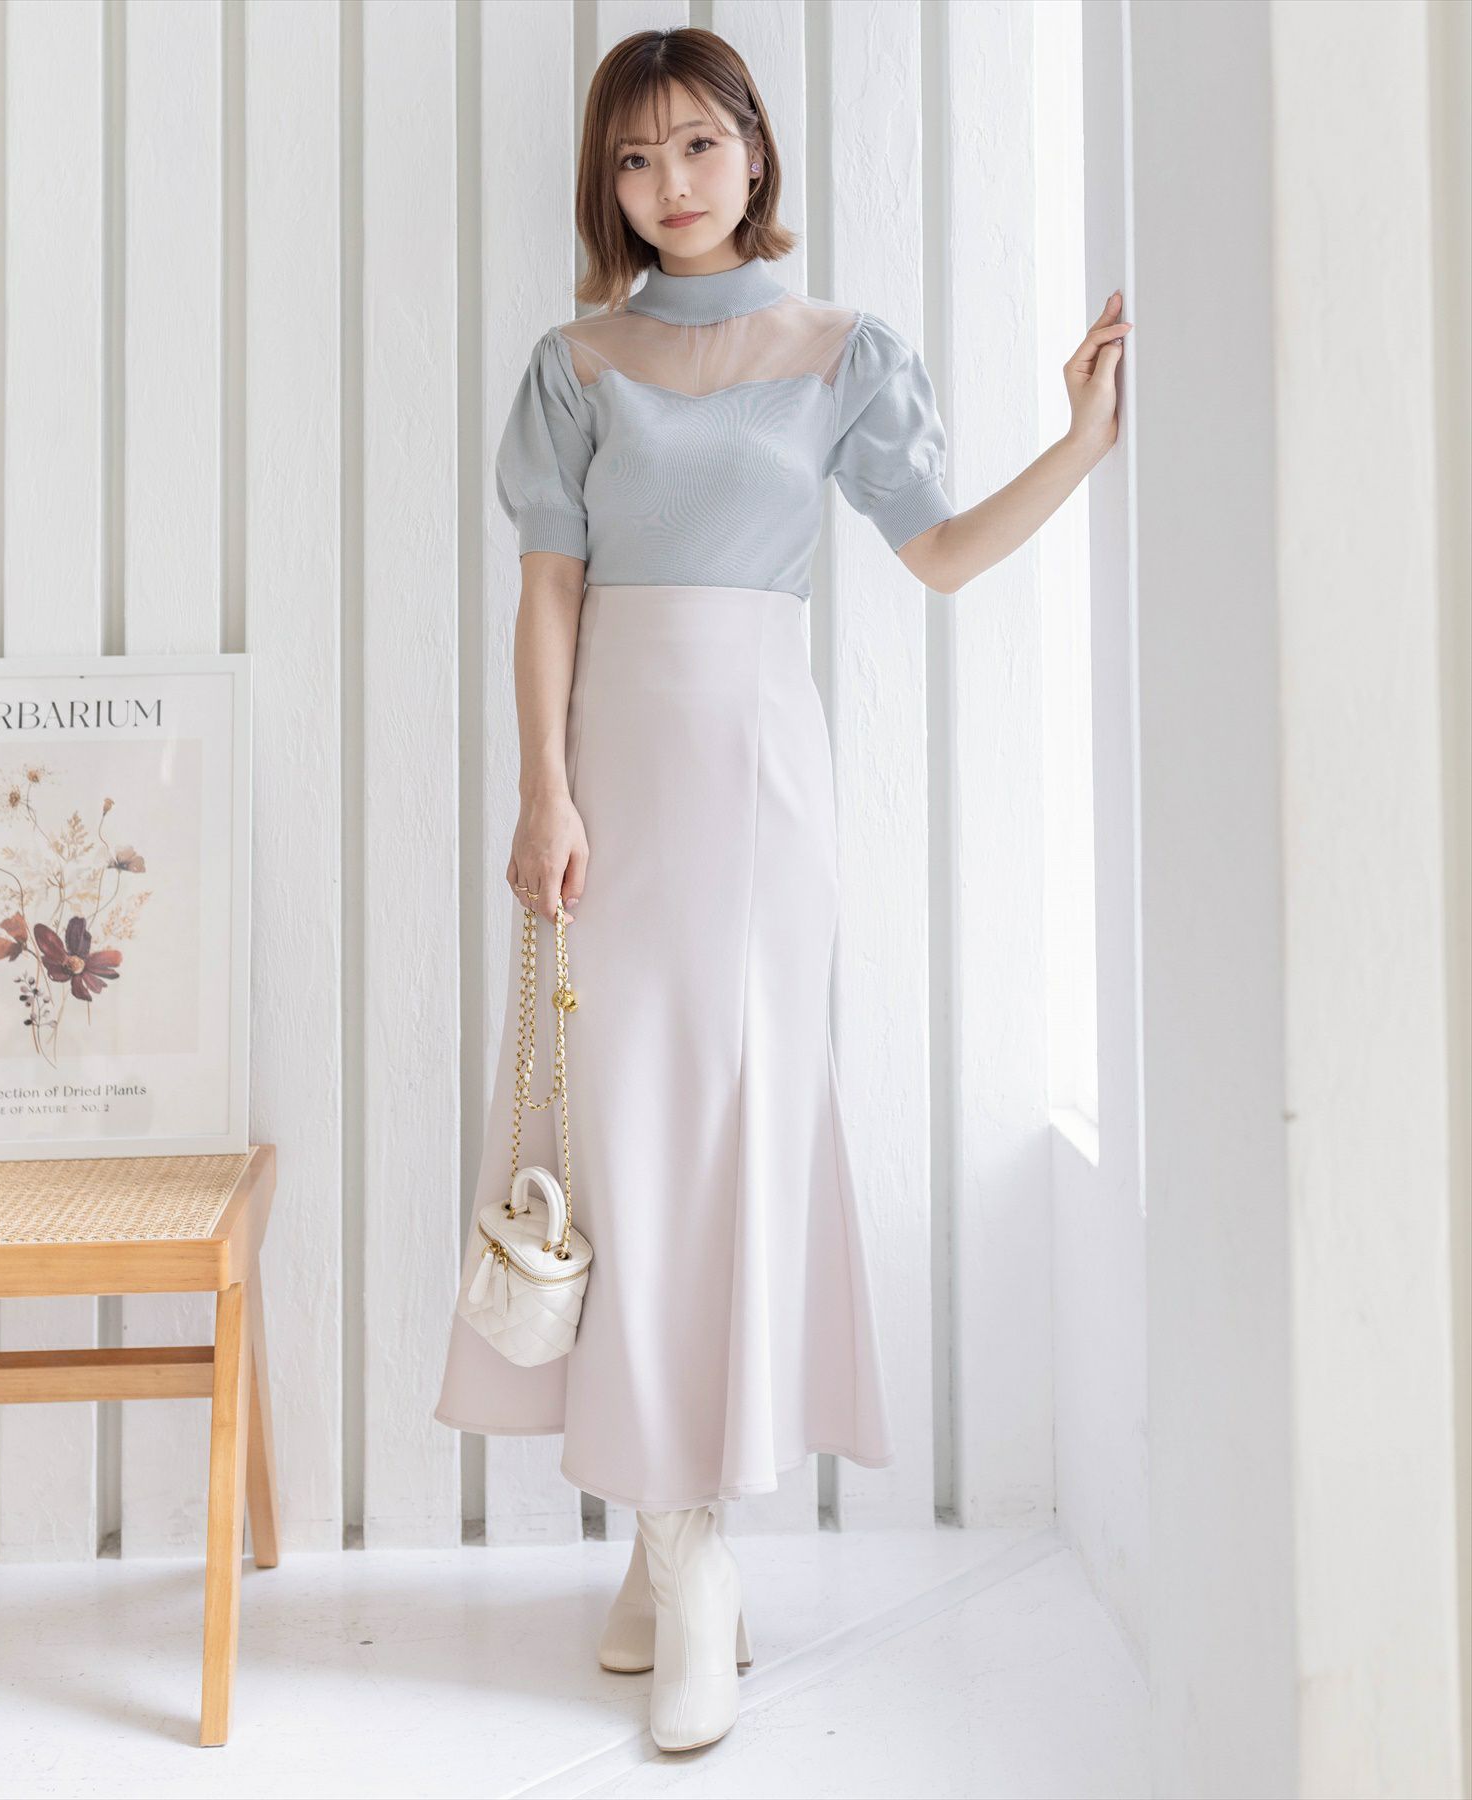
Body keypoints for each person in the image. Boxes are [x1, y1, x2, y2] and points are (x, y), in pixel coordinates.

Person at [435, 25, 1128, 1755]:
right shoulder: (574, 364)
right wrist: (543, 789)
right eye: (633, 159)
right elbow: (547, 594)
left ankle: (686, 1554)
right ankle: (671, 1543)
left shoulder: (841, 353)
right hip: (610, 789)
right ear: (606, 186)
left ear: (754, 150)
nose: (668, 184)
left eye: (696, 146)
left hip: (760, 795)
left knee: (728, 1145)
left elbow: (940, 553)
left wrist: (1082, 443)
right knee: (618, 1142)